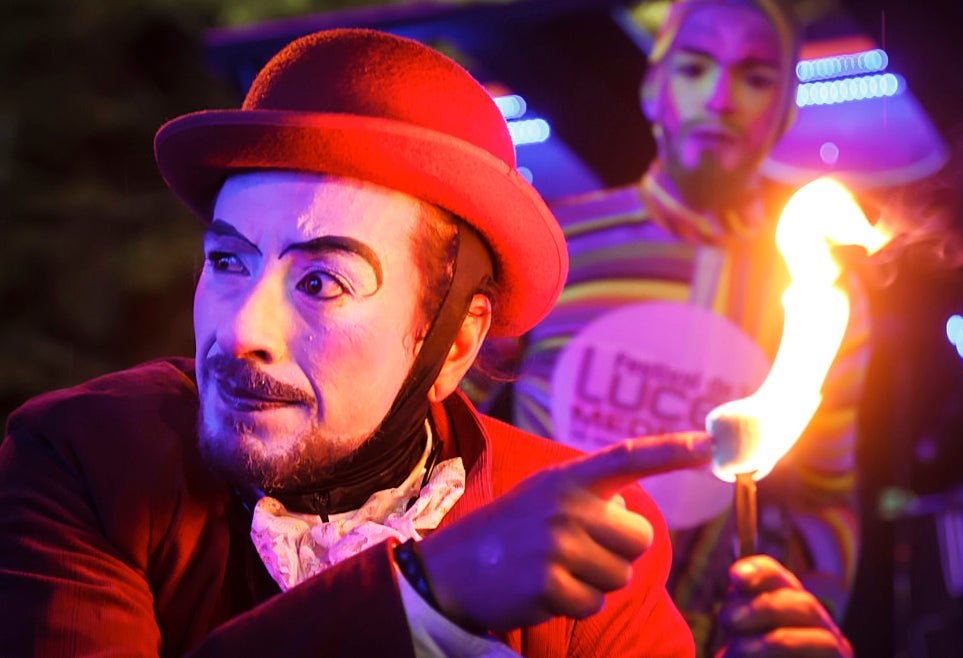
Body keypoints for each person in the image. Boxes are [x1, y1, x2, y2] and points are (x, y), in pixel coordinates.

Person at [0, 27, 849, 657]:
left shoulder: (592, 535)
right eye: (227, 259)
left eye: (321, 281)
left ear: (454, 344)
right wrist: (432, 592)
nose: (241, 332)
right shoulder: (82, 457)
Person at [465, 0, 867, 655]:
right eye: (693, 67)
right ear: (652, 89)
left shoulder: (819, 294)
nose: (718, 97)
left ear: (786, 111)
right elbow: (449, 435)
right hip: (532, 633)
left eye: (756, 77)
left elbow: (825, 498)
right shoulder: (554, 242)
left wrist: (803, 617)